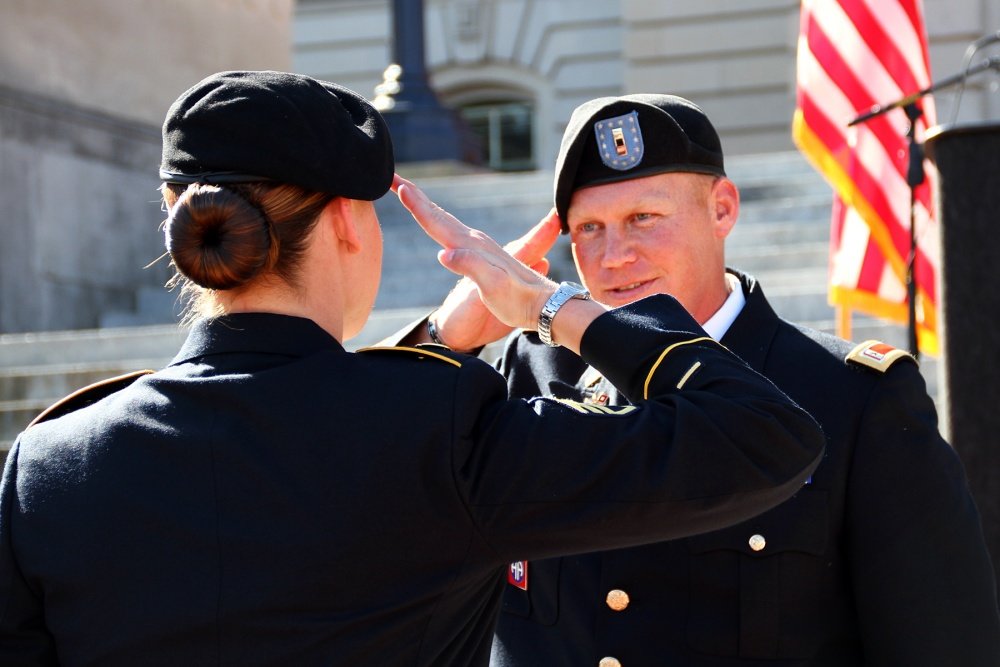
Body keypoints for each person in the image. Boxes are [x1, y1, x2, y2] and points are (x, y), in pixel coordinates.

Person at [0, 72, 824, 666]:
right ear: (351, 225)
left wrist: (432, 343)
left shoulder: (49, 461)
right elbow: (763, 438)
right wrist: (550, 308)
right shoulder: (438, 430)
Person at [404, 94, 1000, 665]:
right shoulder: (531, 371)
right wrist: (440, 340)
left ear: (722, 209)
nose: (614, 256)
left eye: (644, 218)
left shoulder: (849, 395)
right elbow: (375, 514)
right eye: (589, 228)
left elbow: (941, 643)